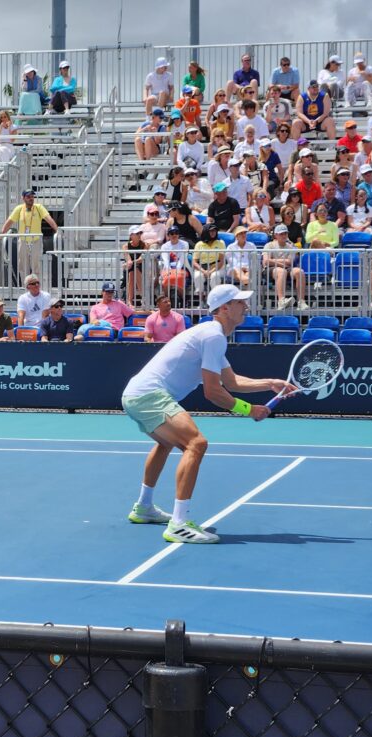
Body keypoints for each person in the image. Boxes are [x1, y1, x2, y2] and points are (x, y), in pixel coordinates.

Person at [121, 283, 295, 544]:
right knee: (196, 444)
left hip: (136, 394)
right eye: (239, 302)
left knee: (166, 443)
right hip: (148, 395)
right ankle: (178, 525)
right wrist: (249, 410)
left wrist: (270, 383)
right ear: (224, 308)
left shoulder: (211, 335)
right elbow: (213, 392)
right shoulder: (213, 336)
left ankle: (144, 507)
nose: (245, 306)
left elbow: (232, 382)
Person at [2, 189, 57, 284]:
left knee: (36, 266)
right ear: (23, 198)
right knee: (23, 266)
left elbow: (49, 219)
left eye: (32, 196)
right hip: (23, 241)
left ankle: (36, 286)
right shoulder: (19, 208)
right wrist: (2, 233)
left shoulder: (39, 207)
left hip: (35, 240)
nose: (31, 198)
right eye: (28, 196)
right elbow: (9, 221)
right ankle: (26, 288)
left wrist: (57, 230)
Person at [262, 224, 308, 310]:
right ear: (275, 235)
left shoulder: (291, 246)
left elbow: (289, 262)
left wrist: (274, 260)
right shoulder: (269, 245)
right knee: (281, 271)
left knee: (299, 272)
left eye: (285, 233)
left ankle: (301, 302)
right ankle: (281, 301)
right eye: (281, 234)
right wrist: (282, 264)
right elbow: (266, 261)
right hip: (271, 270)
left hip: (285, 268)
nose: (284, 236)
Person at [192, 224, 225, 304]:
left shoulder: (220, 243)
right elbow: (194, 262)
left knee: (215, 276)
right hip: (203, 267)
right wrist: (203, 271)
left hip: (216, 266)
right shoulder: (199, 244)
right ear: (206, 232)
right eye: (211, 231)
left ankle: (214, 300)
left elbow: (221, 261)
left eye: (214, 231)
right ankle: (201, 300)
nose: (213, 232)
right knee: (197, 276)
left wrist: (211, 271)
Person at [158, 227, 191, 300]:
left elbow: (182, 258)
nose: (174, 235)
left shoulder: (185, 244)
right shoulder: (165, 246)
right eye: (172, 233)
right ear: (168, 235)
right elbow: (165, 259)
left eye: (176, 233)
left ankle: (183, 300)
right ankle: (166, 300)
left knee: (179, 278)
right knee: (166, 280)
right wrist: (170, 271)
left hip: (182, 267)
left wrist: (177, 270)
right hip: (168, 268)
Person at [122, 226, 147, 306]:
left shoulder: (144, 245)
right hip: (131, 268)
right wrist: (130, 263)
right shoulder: (125, 246)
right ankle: (142, 297)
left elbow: (141, 259)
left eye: (140, 233)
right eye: (137, 233)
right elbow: (128, 259)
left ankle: (130, 300)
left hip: (141, 266)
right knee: (132, 272)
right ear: (131, 235)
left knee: (134, 270)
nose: (139, 235)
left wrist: (130, 263)